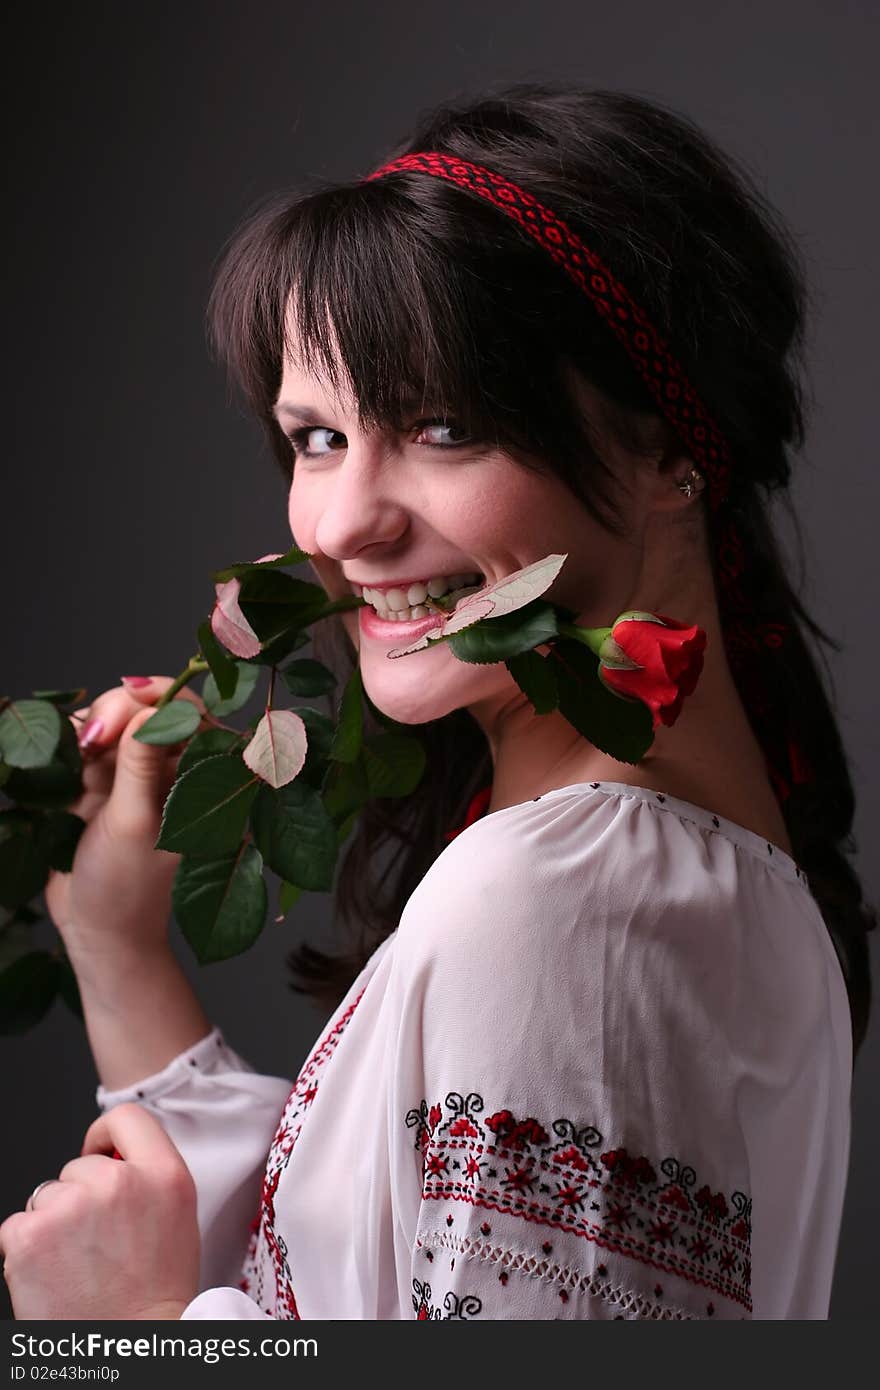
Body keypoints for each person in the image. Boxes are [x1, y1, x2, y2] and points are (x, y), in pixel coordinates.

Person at [1, 82, 873, 1321]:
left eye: (443, 426)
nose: (344, 524)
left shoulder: (562, 897)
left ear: (668, 447)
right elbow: (363, 1253)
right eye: (315, 438)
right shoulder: (647, 873)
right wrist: (117, 943)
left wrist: (125, 1340)